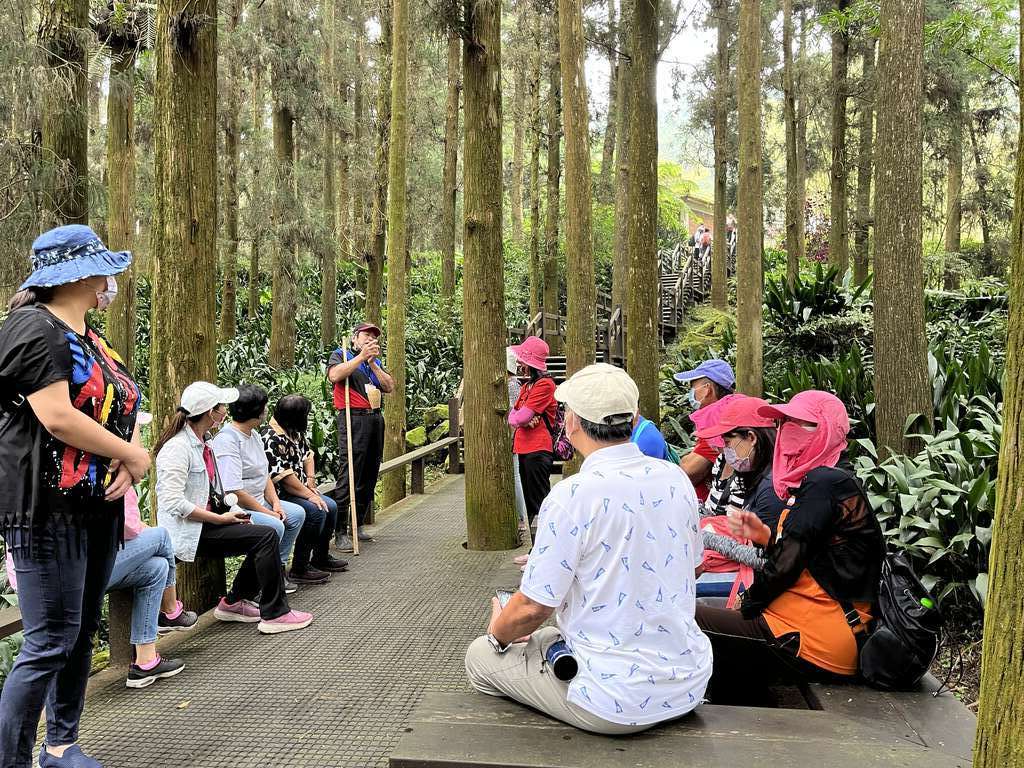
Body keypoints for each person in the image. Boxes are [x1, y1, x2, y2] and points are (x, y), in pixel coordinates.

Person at [466, 363, 712, 735]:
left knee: (480, 657)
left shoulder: (572, 496)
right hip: (687, 684)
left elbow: (533, 607)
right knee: (545, 638)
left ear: (572, 422)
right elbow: (693, 567)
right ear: (635, 418)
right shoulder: (675, 478)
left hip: (614, 702)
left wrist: (497, 632)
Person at [0, 224, 150, 768]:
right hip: (47, 509)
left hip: (96, 507)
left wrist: (130, 455)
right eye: (103, 270)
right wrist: (133, 456)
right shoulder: (33, 328)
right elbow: (58, 416)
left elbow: (125, 405)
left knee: (81, 630)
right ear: (81, 276)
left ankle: (61, 744)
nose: (110, 280)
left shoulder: (92, 337)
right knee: (48, 641)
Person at [695, 391, 884, 705]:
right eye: (784, 422)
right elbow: (814, 554)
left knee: (688, 619)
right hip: (811, 625)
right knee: (730, 641)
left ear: (828, 431)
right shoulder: (829, 480)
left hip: (815, 637)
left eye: (803, 424)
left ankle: (729, 721)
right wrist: (767, 538)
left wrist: (747, 604)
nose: (788, 431)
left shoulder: (823, 484)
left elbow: (783, 568)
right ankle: (744, 716)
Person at [154, 381, 313, 635]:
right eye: (222, 407)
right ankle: (275, 613)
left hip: (210, 521)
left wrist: (228, 513)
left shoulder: (205, 441)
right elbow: (173, 502)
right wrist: (219, 520)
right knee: (266, 535)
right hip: (191, 531)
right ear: (211, 413)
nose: (226, 411)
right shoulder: (177, 448)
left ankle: (235, 601)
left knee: (265, 534)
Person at [212, 384, 310, 592]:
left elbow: (265, 475)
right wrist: (267, 512)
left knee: (296, 514)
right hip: (239, 508)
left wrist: (275, 503)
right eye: (264, 406)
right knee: (275, 525)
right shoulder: (228, 440)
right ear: (255, 412)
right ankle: (258, 584)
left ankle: (278, 567)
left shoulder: (254, 435)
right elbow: (233, 490)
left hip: (261, 500)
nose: (267, 410)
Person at [688, 396, 781, 602]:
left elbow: (770, 560)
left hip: (760, 584)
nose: (723, 449)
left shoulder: (772, 488)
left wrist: (706, 538)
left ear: (751, 437)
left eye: (727, 442)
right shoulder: (755, 475)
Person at [105, 484, 196, 688]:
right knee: (162, 536)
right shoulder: (107, 475)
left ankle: (145, 662)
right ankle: (170, 611)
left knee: (156, 568)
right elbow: (127, 527)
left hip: (97, 560)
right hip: (80, 570)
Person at [262, 394, 349, 582]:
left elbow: (308, 455)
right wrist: (310, 495)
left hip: (300, 488)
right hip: (281, 494)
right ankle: (299, 567)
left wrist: (310, 479)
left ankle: (321, 557)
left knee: (331, 506)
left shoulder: (293, 431)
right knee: (316, 510)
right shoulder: (271, 437)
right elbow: (284, 478)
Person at [327, 321, 395, 550]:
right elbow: (334, 375)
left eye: (374, 337)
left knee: (370, 472)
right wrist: (360, 357)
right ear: (355, 338)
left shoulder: (374, 362)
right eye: (366, 335)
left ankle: (357, 524)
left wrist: (373, 363)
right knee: (350, 471)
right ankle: (339, 531)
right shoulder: (341, 354)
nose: (371, 339)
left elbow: (389, 386)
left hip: (375, 418)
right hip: (352, 418)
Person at [506, 336, 557, 526]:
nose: (519, 363)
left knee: (540, 502)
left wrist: (523, 417)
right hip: (523, 448)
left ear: (530, 363)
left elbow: (520, 417)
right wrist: (522, 418)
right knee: (530, 502)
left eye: (522, 360)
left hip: (538, 449)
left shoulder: (545, 385)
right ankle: (534, 541)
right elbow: (513, 416)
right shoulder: (527, 385)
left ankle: (547, 540)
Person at [673, 359, 735, 502]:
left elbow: (687, 471)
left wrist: (688, 458)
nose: (691, 393)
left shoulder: (717, 421)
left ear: (707, 389)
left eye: (693, 387)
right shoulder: (730, 410)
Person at [505, 348, 528, 534]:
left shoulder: (512, 385)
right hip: (511, 436)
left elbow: (514, 412)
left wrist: (512, 438)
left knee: (515, 476)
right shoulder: (511, 384)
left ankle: (521, 518)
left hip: (512, 437)